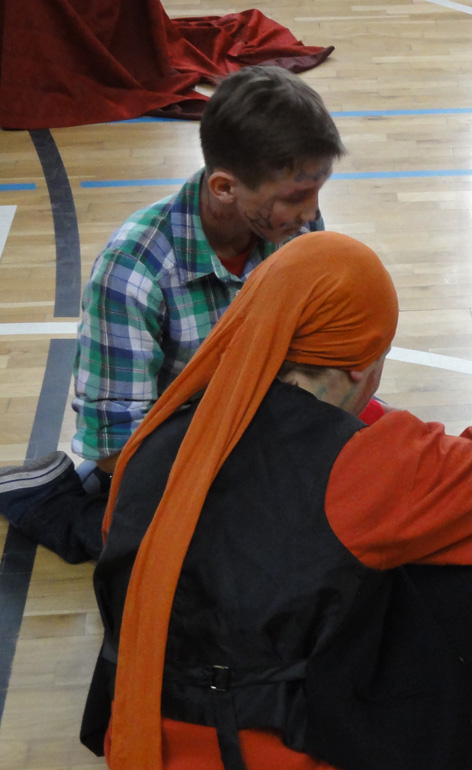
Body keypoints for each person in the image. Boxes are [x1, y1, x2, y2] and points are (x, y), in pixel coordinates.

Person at [78, 231, 472, 770]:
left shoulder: (164, 435)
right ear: (359, 366)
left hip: (154, 766)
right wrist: (433, 446)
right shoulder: (366, 464)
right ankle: (425, 751)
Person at [0, 65, 344, 564]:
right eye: (295, 197)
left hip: (255, 423)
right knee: (230, 553)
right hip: (176, 454)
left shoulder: (293, 229)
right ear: (224, 187)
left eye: (317, 191)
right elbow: (116, 447)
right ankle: (51, 500)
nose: (312, 213)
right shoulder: (131, 271)